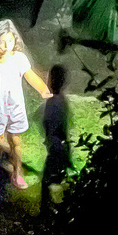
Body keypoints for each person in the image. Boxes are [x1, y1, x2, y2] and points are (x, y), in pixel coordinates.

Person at [0, 19, 51, 189]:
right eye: (3, 40)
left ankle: (17, 173)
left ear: (15, 40)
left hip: (15, 108)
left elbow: (30, 76)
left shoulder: (19, 59)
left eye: (10, 40)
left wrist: (43, 89)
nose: (7, 44)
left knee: (16, 141)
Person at [40, 64, 73, 214]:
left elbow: (53, 125)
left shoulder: (55, 102)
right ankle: (53, 207)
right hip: (59, 145)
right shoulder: (60, 101)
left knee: (48, 181)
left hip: (56, 146)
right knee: (56, 177)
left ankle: (48, 209)